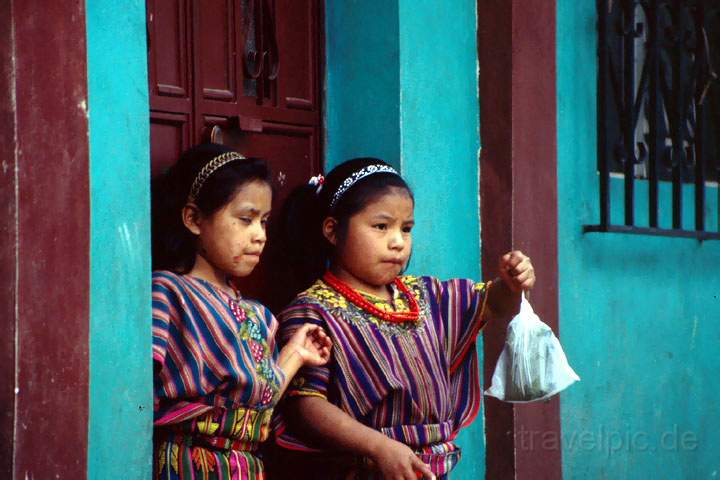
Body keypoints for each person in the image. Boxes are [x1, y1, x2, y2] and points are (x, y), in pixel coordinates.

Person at [271, 158, 535, 479]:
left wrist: (512, 283)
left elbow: (494, 303)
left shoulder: (427, 295)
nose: (397, 241)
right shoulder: (312, 310)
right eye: (381, 226)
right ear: (332, 230)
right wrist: (379, 447)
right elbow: (304, 405)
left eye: (406, 229)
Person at [151, 143, 332, 480]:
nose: (259, 236)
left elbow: (260, 400)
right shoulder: (169, 293)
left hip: (247, 467)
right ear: (193, 219)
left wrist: (294, 353)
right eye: (245, 220)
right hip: (189, 465)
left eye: (263, 222)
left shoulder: (260, 317)